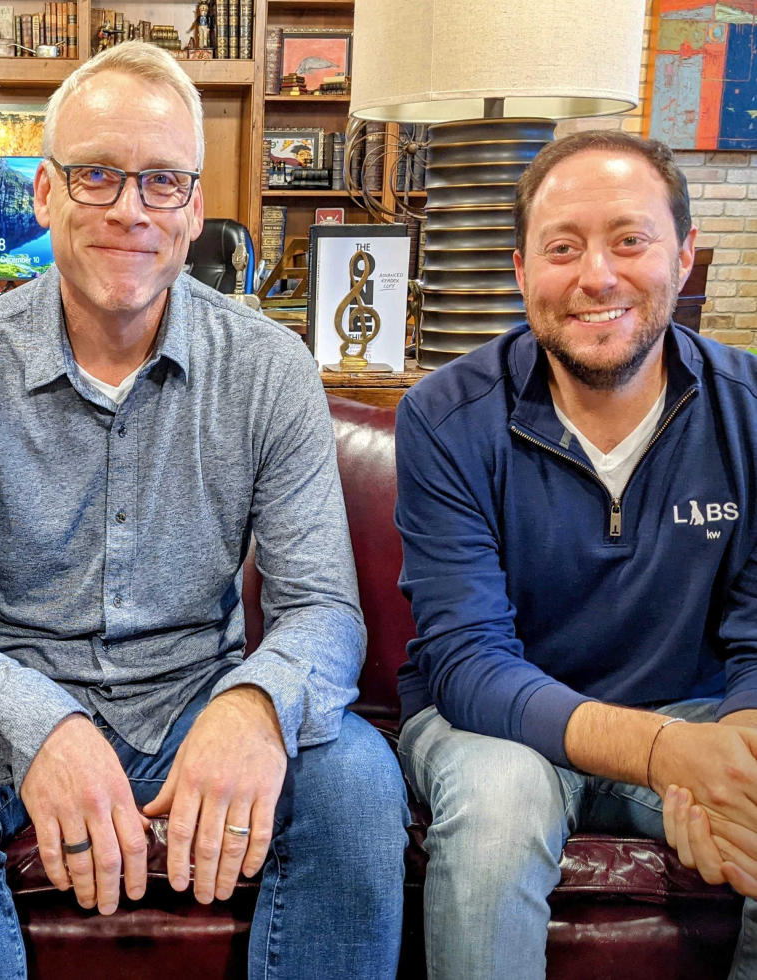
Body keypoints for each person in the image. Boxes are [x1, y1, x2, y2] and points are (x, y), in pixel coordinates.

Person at [0, 40, 407, 980]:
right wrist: (41, 724)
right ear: (44, 194)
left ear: (194, 209)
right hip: (13, 698)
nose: (128, 209)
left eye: (162, 182)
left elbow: (324, 610)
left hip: (198, 697)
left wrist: (256, 707)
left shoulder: (269, 370)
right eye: (97, 175)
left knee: (357, 777)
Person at [394, 129, 757, 980]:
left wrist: (738, 757)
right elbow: (468, 662)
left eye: (630, 240)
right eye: (563, 248)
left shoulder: (750, 411)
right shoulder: (445, 418)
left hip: (693, 712)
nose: (597, 276)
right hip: (490, 728)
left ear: (685, 254)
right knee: (498, 802)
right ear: (522, 273)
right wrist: (666, 754)